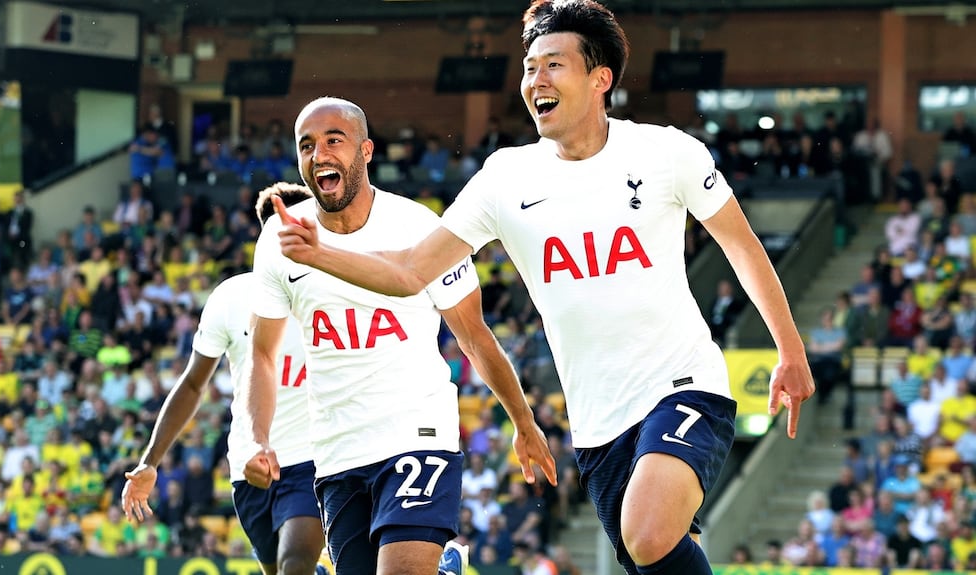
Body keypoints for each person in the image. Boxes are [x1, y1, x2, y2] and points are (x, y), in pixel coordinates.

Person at [267, 2, 814, 574]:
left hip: (683, 384)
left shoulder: (665, 153)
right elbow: (410, 272)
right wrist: (319, 253)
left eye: (553, 65)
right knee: (652, 552)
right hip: (598, 425)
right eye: (529, 68)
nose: (536, 81)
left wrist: (790, 349)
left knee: (649, 532)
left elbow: (741, 244)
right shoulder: (506, 178)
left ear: (600, 79)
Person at [245, 99, 555, 575]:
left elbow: (473, 335)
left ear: (366, 151)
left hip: (417, 434)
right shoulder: (278, 241)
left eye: (334, 140)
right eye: (307, 145)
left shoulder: (419, 228)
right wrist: (257, 438)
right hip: (336, 450)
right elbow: (263, 355)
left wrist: (523, 421)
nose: (320, 153)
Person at [120, 185, 326, 575]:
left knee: (294, 565)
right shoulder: (231, 298)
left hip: (313, 462)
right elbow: (194, 384)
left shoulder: (333, 295)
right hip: (249, 469)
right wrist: (150, 462)